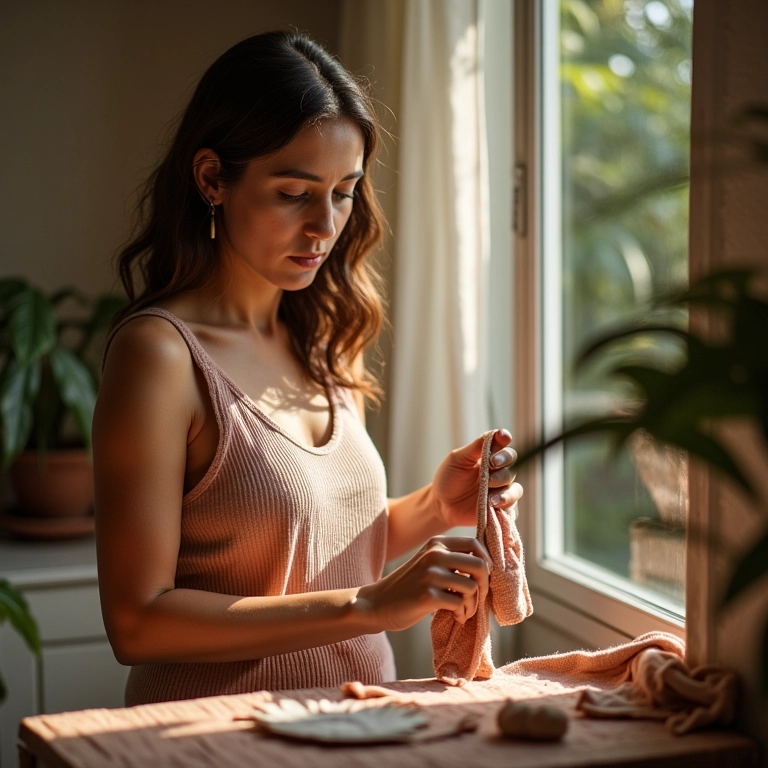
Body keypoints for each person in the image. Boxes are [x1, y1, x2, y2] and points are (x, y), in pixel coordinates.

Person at [93, 30, 523, 706]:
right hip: (216, 741)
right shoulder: (161, 356)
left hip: (359, 726)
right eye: (295, 193)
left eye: (345, 192)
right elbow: (137, 623)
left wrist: (435, 507)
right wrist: (366, 607)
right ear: (212, 179)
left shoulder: (323, 335)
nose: (326, 225)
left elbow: (307, 547)